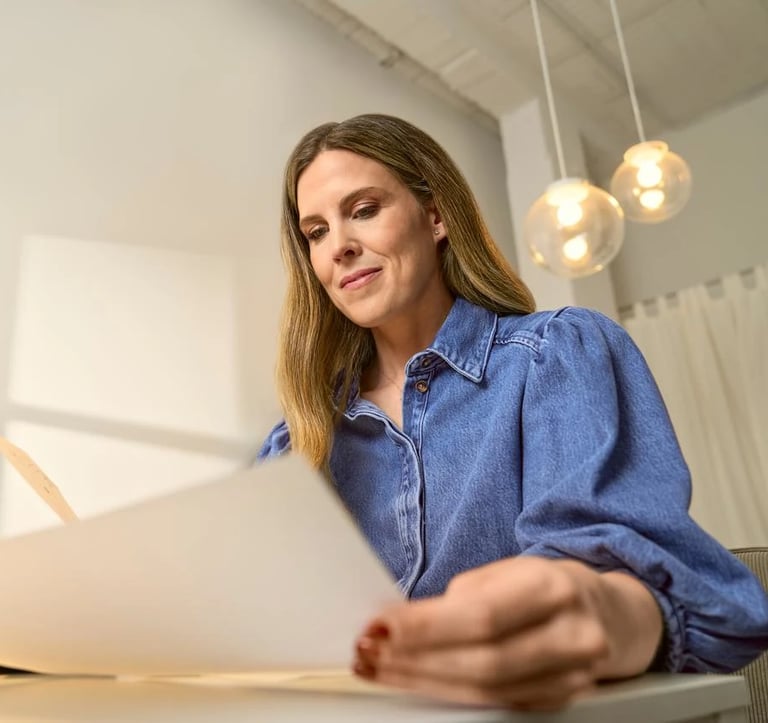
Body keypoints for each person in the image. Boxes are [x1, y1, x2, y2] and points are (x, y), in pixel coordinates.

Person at [258, 113, 768, 710]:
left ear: (437, 215)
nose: (338, 246)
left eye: (365, 209)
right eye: (315, 232)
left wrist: (597, 612)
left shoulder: (556, 355)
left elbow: (686, 600)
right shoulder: (297, 445)